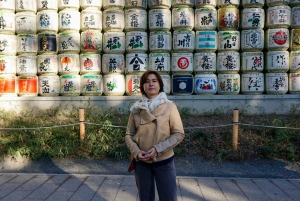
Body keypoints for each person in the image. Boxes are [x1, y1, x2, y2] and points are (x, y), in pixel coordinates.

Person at [125, 70, 185, 201]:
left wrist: (158, 149)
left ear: (160, 85)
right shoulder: (136, 108)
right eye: (146, 81)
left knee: (168, 197)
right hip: (142, 161)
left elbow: (178, 134)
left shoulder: (170, 107)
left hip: (164, 161)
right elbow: (129, 134)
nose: (150, 84)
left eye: (154, 81)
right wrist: (136, 152)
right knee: (145, 198)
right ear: (142, 87)